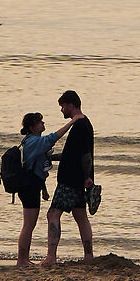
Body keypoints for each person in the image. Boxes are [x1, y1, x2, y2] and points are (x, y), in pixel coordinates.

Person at [45, 89, 98, 266]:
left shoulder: (79, 126)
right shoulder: (85, 124)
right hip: (79, 178)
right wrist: (51, 157)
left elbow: (85, 156)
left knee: (53, 214)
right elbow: (73, 154)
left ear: (70, 105)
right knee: (80, 216)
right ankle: (88, 256)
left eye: (62, 106)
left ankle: (51, 257)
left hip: (69, 179)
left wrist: (86, 177)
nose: (61, 110)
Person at [13, 112, 64, 269]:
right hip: (28, 187)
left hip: (31, 185)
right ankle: (22, 260)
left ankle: (24, 259)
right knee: (28, 225)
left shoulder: (32, 142)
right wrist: (71, 123)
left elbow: (37, 168)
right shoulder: (34, 141)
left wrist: (43, 189)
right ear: (32, 126)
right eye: (40, 122)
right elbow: (51, 138)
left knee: (30, 224)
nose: (43, 124)